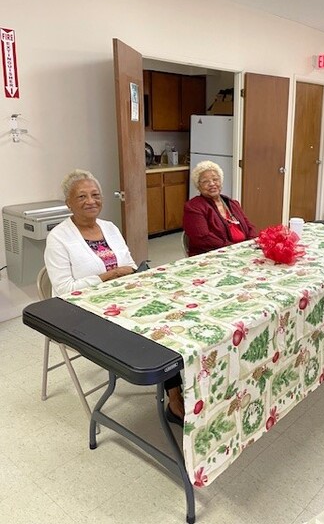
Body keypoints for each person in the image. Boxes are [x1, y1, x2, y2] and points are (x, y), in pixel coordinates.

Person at [45, 169, 184, 424]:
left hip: (123, 298)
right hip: (82, 311)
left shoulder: (109, 228)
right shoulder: (58, 238)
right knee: (154, 332)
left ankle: (179, 380)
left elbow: (128, 264)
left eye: (95, 195)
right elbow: (65, 290)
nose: (91, 201)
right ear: (68, 203)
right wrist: (108, 277)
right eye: (82, 196)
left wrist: (127, 275)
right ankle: (174, 398)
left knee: (172, 315)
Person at [183, 160, 258, 256]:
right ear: (198, 186)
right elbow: (203, 239)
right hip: (212, 257)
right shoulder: (194, 207)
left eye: (215, 179)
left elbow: (250, 227)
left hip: (241, 252)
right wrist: (235, 249)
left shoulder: (233, 203)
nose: (212, 184)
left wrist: (250, 245)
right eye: (205, 181)